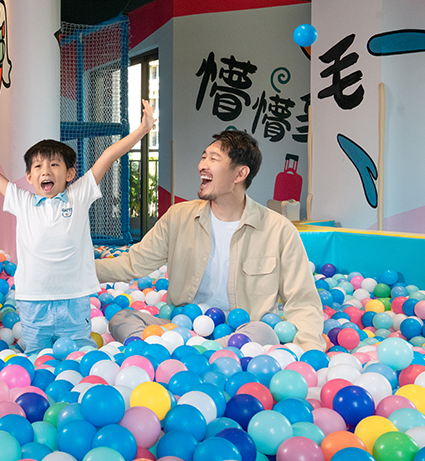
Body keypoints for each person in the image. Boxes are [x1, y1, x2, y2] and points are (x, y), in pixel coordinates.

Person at [0, 100, 156, 355]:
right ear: (29, 177)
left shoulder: (78, 195)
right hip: (34, 299)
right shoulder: (22, 201)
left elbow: (108, 156)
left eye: (54, 165)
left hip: (73, 298)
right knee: (37, 354)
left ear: (70, 174)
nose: (46, 171)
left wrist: (142, 130)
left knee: (78, 354)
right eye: (38, 166)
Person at [95, 130, 326, 352]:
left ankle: (186, 352)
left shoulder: (278, 229)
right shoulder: (178, 217)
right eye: (203, 157)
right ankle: (200, 351)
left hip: (241, 332)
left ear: (240, 174)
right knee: (121, 318)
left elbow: (302, 300)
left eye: (213, 159)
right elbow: (133, 263)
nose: (201, 165)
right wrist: (79, 271)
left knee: (263, 331)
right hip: (184, 327)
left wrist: (308, 353)